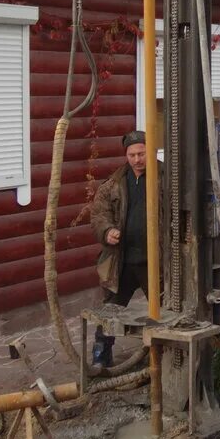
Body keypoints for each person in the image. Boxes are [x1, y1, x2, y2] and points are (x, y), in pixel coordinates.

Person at [89, 130, 153, 365]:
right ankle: (101, 358)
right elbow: (98, 214)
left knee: (166, 311)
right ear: (126, 155)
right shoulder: (114, 183)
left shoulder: (165, 177)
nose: (137, 159)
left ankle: (165, 357)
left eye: (142, 153)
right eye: (132, 155)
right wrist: (107, 231)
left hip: (153, 262)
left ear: (150, 151)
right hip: (122, 260)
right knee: (111, 310)